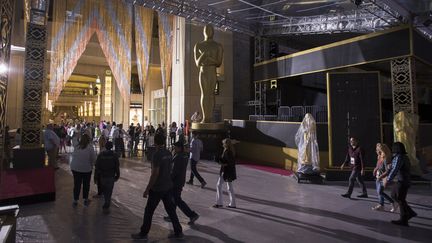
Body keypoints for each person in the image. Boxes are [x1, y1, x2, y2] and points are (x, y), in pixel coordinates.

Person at [131, 134, 183, 240]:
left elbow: (155, 174)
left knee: (149, 211)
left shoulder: (157, 155)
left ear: (155, 142)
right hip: (168, 186)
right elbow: (170, 168)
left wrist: (147, 189)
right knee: (171, 210)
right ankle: (178, 231)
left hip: (158, 188)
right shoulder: (169, 153)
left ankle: (143, 233)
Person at [163, 141, 199, 224]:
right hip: (180, 181)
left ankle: (192, 215)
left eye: (175, 147)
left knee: (177, 200)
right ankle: (171, 216)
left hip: (175, 182)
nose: (174, 149)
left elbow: (174, 171)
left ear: (179, 148)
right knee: (174, 199)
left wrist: (168, 179)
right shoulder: (184, 155)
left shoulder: (178, 156)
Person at [194, 24, 223, 123]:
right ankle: (205, 117)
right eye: (206, 29)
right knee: (204, 94)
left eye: (210, 29)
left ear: (213, 31)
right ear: (203, 31)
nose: (209, 31)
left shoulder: (218, 46)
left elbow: (218, 63)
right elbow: (197, 63)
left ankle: (209, 117)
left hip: (212, 72)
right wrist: (203, 55)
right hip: (203, 71)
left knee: (211, 94)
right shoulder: (198, 45)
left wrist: (209, 58)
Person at [384, 142, 417, 226]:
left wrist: (387, 179)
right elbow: (395, 166)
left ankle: (404, 219)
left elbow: (395, 169)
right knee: (394, 195)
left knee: (400, 199)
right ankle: (410, 212)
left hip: (402, 181)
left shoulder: (399, 157)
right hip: (402, 180)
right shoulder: (402, 157)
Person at [70, 134, 96, 207]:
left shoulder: (77, 146)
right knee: (86, 184)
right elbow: (93, 159)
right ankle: (85, 199)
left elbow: (74, 138)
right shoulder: (90, 148)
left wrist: (77, 134)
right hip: (86, 169)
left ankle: (75, 200)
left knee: (77, 184)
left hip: (75, 168)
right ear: (89, 140)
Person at [95, 141, 120, 214]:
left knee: (105, 189)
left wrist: (96, 177)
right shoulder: (114, 155)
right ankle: (107, 202)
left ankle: (106, 202)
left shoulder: (101, 154)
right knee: (109, 190)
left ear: (105, 146)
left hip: (103, 175)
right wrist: (118, 175)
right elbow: (117, 166)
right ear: (112, 147)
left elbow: (97, 166)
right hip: (111, 175)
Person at [213, 138, 237, 208]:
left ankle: (219, 203)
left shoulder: (228, 152)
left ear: (226, 144)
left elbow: (228, 163)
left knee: (218, 185)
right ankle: (232, 204)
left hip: (226, 171)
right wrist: (220, 160)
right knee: (229, 187)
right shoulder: (228, 151)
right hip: (228, 171)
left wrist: (220, 162)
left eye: (224, 143)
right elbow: (226, 161)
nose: (223, 144)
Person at [372, 143, 396, 211]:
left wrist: (380, 177)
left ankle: (393, 202)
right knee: (379, 192)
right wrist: (375, 169)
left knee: (380, 192)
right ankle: (381, 205)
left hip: (383, 178)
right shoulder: (379, 157)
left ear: (383, 151)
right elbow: (378, 166)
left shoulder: (386, 159)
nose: (377, 151)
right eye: (376, 150)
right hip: (378, 177)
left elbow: (387, 171)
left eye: (378, 150)